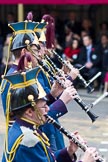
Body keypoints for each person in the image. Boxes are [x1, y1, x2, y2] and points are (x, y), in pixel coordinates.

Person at [2, 67, 100, 162]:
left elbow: (46, 158)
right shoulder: (29, 141)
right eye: (44, 106)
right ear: (29, 112)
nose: (48, 109)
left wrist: (68, 151)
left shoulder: (23, 127)